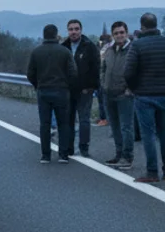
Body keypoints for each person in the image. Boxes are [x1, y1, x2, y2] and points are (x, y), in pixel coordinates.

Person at [125, 13, 165, 182]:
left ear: (142, 26)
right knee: (164, 131)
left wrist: (135, 87)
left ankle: (152, 171)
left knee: (148, 134)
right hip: (164, 94)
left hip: (143, 94)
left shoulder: (137, 46)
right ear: (156, 25)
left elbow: (128, 72)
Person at [27, 24, 78, 163]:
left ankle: (45, 155)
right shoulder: (65, 52)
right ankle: (63, 154)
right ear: (56, 35)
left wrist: (38, 85)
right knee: (63, 123)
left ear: (44, 35)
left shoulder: (36, 52)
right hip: (61, 91)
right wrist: (67, 86)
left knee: (45, 124)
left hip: (43, 91)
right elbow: (73, 73)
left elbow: (30, 73)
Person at [61, 19, 101, 158]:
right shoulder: (64, 46)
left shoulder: (89, 46)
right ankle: (69, 147)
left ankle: (84, 147)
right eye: (71, 29)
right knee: (68, 119)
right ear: (67, 31)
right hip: (68, 90)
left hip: (85, 90)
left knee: (84, 119)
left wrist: (91, 86)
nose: (74, 32)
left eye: (76, 29)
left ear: (81, 30)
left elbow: (96, 68)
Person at [101, 21, 135, 169]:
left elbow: (138, 71)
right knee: (114, 127)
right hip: (109, 93)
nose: (119, 35)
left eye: (122, 32)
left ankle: (127, 157)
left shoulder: (133, 50)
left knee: (126, 127)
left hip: (125, 94)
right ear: (113, 35)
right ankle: (118, 154)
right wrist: (103, 84)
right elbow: (103, 69)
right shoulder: (109, 50)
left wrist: (130, 88)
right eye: (116, 33)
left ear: (126, 33)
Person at [95, 33, 112, 126]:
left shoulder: (104, 49)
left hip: (101, 78)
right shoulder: (111, 48)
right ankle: (106, 118)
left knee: (102, 100)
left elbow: (100, 63)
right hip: (107, 78)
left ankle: (104, 118)